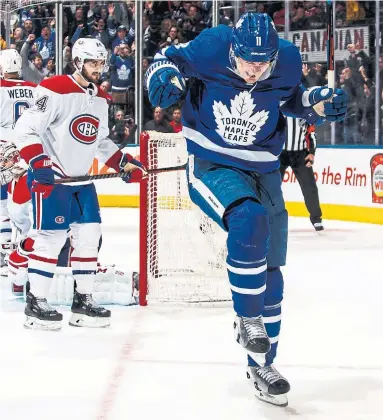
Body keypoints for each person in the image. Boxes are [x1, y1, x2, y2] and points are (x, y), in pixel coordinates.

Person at [145, 13, 347, 406]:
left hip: (264, 167)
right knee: (249, 219)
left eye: (262, 63)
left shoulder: (286, 60)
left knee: (272, 274)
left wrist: (316, 103)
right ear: (233, 51)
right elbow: (165, 57)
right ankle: (247, 318)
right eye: (247, 62)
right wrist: (163, 78)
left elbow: (292, 100)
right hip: (212, 162)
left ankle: (262, 365)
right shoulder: (211, 46)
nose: (254, 70)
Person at [14, 37, 146, 331]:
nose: (98, 68)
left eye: (101, 63)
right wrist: (39, 161)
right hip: (55, 179)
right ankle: (36, 304)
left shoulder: (100, 98)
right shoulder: (54, 88)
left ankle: (83, 301)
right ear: (77, 62)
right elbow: (25, 129)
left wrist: (122, 162)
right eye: (92, 62)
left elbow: (98, 140)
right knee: (50, 237)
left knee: (89, 235)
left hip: (82, 180)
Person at [0, 49, 36, 272]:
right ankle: (24, 250)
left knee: (3, 205)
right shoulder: (35, 89)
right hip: (28, 150)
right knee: (25, 203)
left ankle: (5, 253)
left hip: (4, 150)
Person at [279, 117, 323, 231]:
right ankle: (265, 217)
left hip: (300, 154)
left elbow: (311, 132)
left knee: (309, 186)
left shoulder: (302, 109)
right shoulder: (275, 106)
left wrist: (312, 153)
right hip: (278, 153)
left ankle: (316, 219)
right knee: (270, 188)